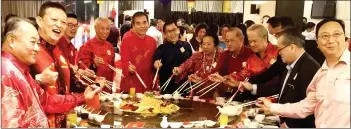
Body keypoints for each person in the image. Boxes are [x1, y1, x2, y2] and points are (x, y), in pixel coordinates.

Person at [1, 17, 100, 128]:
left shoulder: (20, 70)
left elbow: (46, 101)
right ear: (11, 40)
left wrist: (83, 97)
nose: (37, 48)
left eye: (38, 43)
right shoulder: (5, 72)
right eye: (32, 42)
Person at [257, 18, 350, 128]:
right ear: (317, 43)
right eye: (325, 36)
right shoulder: (320, 74)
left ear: (345, 39)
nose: (330, 40)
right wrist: (272, 107)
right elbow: (305, 107)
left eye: (336, 34)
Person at [241, 28, 320, 128]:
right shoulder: (290, 64)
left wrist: (288, 124)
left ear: (292, 47)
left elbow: (308, 108)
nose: (278, 53)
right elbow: (282, 89)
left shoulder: (309, 68)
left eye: (280, 49)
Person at [29, 2, 71, 127]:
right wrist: (38, 80)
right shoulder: (30, 49)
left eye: (63, 22)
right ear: (39, 21)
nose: (59, 25)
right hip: (38, 121)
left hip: (63, 120)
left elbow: (66, 83)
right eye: (54, 19)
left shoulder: (59, 50)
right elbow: (12, 85)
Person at [208, 28, 254, 98]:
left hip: (246, 94)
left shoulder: (251, 54)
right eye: (227, 41)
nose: (229, 44)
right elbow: (216, 71)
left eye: (232, 40)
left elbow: (249, 77)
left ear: (241, 39)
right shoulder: (225, 54)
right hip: (227, 94)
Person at [173, 34, 222, 99]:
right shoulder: (197, 56)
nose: (205, 47)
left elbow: (222, 77)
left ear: (215, 45)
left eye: (208, 44)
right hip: (198, 92)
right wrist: (179, 69)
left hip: (215, 93)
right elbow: (186, 64)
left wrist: (201, 80)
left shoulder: (221, 57)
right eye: (203, 44)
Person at [120, 12, 157, 93]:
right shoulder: (126, 40)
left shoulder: (152, 41)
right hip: (131, 83)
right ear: (133, 25)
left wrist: (157, 64)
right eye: (138, 23)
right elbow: (124, 61)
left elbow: (154, 61)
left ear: (148, 23)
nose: (142, 26)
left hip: (148, 83)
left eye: (144, 22)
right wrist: (128, 67)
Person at [153, 21, 193, 94]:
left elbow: (191, 63)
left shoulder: (186, 45)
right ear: (164, 34)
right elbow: (156, 61)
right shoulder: (161, 49)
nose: (172, 33)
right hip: (167, 87)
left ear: (178, 30)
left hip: (184, 86)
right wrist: (156, 64)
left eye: (174, 30)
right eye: (169, 31)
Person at [78, 17, 115, 92]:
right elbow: (83, 72)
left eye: (107, 29)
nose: (105, 31)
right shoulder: (87, 46)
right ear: (95, 28)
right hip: (93, 90)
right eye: (102, 28)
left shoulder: (110, 47)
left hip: (108, 89)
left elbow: (112, 69)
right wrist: (94, 65)